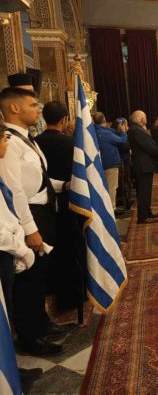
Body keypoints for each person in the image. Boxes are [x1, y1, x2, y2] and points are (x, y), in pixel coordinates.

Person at [0, 86, 69, 356]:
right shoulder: (8, 141)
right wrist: (30, 230)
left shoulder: (28, 139)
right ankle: (30, 336)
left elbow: (38, 180)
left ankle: (41, 321)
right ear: (14, 108)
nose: (39, 110)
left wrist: (64, 185)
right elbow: (15, 190)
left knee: (40, 275)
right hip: (28, 215)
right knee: (29, 279)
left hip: (43, 211)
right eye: (33, 105)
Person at [36, 102, 83, 311]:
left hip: (42, 206)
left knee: (49, 247)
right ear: (64, 120)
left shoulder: (34, 143)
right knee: (69, 246)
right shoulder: (71, 143)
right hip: (69, 201)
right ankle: (72, 296)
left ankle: (51, 288)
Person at [128, 110, 158, 225]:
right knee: (143, 192)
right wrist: (157, 153)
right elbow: (149, 146)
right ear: (141, 119)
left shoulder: (136, 129)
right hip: (143, 165)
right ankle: (143, 216)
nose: (146, 119)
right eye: (145, 117)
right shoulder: (136, 130)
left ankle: (147, 212)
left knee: (146, 191)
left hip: (144, 164)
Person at [93, 112, 128, 211]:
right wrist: (123, 132)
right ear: (104, 119)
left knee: (102, 188)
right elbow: (122, 140)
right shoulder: (106, 133)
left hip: (98, 164)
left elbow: (110, 131)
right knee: (112, 188)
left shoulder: (94, 131)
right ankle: (112, 210)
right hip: (110, 164)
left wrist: (117, 131)